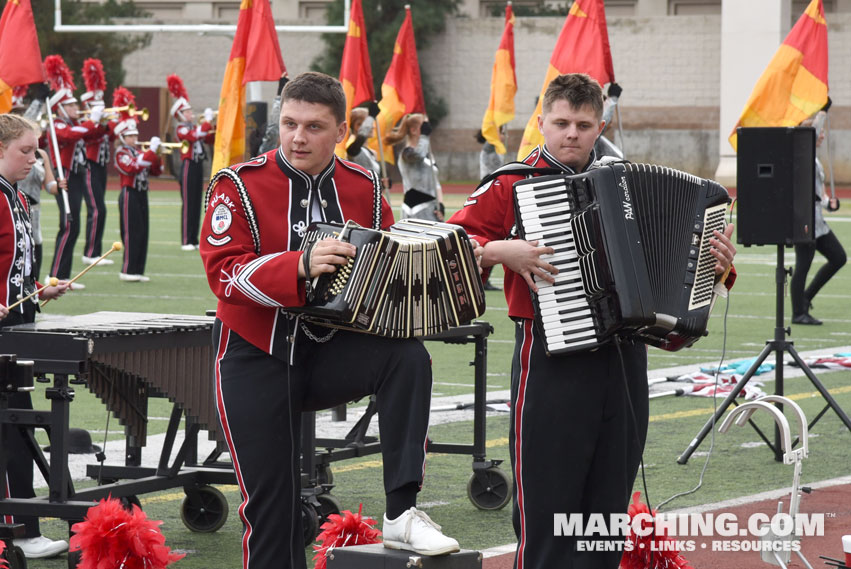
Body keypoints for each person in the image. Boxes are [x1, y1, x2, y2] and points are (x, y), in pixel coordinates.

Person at [448, 73, 737, 569]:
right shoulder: (511, 183)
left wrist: (715, 267)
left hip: (625, 364)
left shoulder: (622, 178)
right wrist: (500, 250)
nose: (572, 134)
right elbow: (445, 247)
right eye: (561, 123)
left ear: (599, 124)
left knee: (605, 524)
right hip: (549, 363)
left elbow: (675, 278)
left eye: (583, 124)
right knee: (547, 520)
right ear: (541, 122)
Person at [200, 71, 460, 569]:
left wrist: (445, 260)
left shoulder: (363, 183)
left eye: (315, 127)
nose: (298, 137)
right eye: (289, 123)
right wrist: (298, 264)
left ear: (342, 131)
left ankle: (402, 511)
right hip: (255, 353)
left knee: (407, 357)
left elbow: (389, 257)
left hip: (329, 351)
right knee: (273, 511)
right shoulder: (237, 183)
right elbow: (223, 276)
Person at [0, 113, 71, 560]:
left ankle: (24, 528)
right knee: (10, 430)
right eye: (24, 151)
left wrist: (38, 292)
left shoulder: (18, 200)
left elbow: (13, 274)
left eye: (35, 150)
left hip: (18, 329)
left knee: (20, 429)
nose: (34, 159)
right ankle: (14, 531)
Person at [44, 54, 104, 288]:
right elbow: (71, 135)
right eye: (70, 105)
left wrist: (101, 121)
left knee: (75, 224)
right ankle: (55, 275)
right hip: (64, 175)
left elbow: (94, 134)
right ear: (59, 107)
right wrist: (91, 122)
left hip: (76, 174)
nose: (76, 108)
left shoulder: (74, 124)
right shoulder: (57, 124)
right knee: (68, 223)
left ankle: (64, 275)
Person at [791, 106, 847, 325]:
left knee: (838, 257)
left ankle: (806, 298)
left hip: (818, 222)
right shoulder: (802, 156)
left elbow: (816, 193)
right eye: (819, 132)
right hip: (804, 222)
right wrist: (822, 110)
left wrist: (828, 204)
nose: (822, 135)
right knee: (803, 265)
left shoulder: (813, 159)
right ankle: (798, 312)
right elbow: (813, 130)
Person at [113, 105, 162, 283]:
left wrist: (157, 155)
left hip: (142, 194)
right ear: (122, 137)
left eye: (135, 135)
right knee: (132, 233)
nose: (134, 139)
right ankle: (128, 270)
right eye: (130, 136)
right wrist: (150, 152)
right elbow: (133, 167)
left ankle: (138, 270)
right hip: (129, 194)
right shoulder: (121, 153)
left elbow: (156, 171)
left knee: (143, 233)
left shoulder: (140, 152)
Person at [167, 74, 215, 251]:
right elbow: (195, 137)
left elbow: (207, 138)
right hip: (187, 166)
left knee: (196, 202)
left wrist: (213, 127)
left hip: (197, 165)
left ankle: (194, 239)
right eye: (187, 111)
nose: (191, 113)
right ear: (180, 114)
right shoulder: (181, 128)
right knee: (188, 203)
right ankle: (186, 239)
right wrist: (208, 121)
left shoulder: (195, 127)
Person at [79, 58, 115, 267]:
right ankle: (90, 253)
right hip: (89, 166)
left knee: (101, 209)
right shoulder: (85, 122)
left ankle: (95, 251)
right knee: (96, 209)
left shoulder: (99, 123)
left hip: (100, 166)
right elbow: (87, 135)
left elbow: (109, 135)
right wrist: (95, 119)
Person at [387, 113, 445, 221]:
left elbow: (436, 183)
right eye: (423, 127)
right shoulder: (407, 153)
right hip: (414, 210)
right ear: (413, 130)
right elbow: (418, 155)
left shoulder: (428, 155)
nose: (427, 130)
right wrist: (424, 136)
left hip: (432, 209)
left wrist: (440, 205)